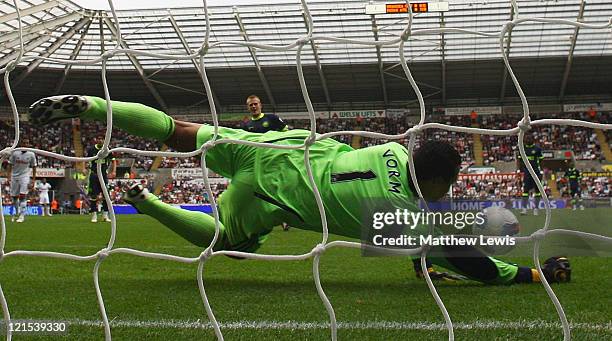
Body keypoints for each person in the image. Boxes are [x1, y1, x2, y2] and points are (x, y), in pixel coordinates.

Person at [27, 95, 571, 285]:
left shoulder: (391, 150)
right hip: (273, 202)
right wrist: (531, 273)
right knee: (222, 243)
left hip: (279, 151)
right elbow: (471, 261)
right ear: (439, 182)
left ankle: (96, 106)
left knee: (177, 129)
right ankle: (147, 202)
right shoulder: (409, 214)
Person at [243, 95, 290, 231]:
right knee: (259, 191)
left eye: (255, 104)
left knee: (278, 188)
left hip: (275, 159)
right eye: (251, 105)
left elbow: (286, 132)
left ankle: (284, 218)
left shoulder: (272, 119)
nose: (253, 106)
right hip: (258, 163)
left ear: (260, 105)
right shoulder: (247, 126)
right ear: (248, 107)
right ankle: (276, 219)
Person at [86, 137, 117, 222]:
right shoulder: (91, 149)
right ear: (96, 140)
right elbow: (86, 160)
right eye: (98, 139)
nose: (100, 140)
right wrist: (85, 168)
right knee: (93, 196)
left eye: (102, 139)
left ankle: (105, 215)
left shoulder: (107, 149)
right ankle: (94, 215)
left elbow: (113, 160)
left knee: (106, 195)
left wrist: (114, 171)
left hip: (103, 175)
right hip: (94, 175)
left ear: (104, 140)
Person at [7, 142, 37, 223]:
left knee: (23, 196)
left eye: (27, 143)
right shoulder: (15, 152)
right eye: (24, 143)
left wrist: (33, 180)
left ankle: (22, 215)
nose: (26, 144)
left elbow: (34, 167)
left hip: (24, 176)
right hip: (14, 176)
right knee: (14, 197)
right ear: (21, 143)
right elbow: (10, 164)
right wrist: (8, 176)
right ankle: (17, 212)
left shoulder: (31, 154)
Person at [517, 134, 544, 215]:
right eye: (527, 138)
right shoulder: (522, 148)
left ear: (533, 139)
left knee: (537, 190)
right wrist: (519, 169)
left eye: (529, 138)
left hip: (536, 171)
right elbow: (519, 160)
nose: (528, 140)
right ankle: (524, 209)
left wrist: (541, 170)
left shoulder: (537, 149)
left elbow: (541, 160)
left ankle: (536, 209)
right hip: (527, 171)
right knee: (525, 190)